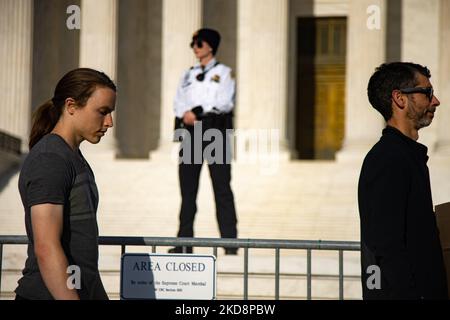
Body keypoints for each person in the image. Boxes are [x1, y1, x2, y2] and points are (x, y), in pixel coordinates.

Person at [15, 68, 116, 300]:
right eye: (103, 112)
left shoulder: (72, 156)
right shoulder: (50, 159)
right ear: (71, 106)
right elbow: (46, 247)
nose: (109, 122)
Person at [358, 62, 448, 299]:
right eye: (427, 93)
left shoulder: (406, 155)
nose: (435, 101)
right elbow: (386, 247)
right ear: (400, 98)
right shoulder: (388, 159)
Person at [168, 28, 238, 255]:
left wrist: (197, 112)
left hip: (214, 130)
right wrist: (185, 113)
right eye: (193, 44)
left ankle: (230, 244)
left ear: (209, 46)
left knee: (222, 188)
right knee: (187, 191)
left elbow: (225, 102)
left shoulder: (225, 72)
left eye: (198, 43)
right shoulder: (187, 74)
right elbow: (178, 101)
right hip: (189, 132)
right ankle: (183, 243)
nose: (195, 48)